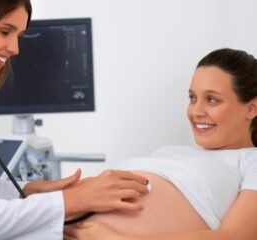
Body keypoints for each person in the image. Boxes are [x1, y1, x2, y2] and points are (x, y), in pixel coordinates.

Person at [0, 1, 150, 239]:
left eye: (18, 36)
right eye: (5, 32)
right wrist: (71, 201)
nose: (15, 48)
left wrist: (31, 191)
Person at [64, 48, 257, 240]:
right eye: (192, 98)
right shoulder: (171, 152)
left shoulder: (251, 161)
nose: (195, 111)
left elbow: (236, 236)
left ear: (251, 109)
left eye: (212, 99)